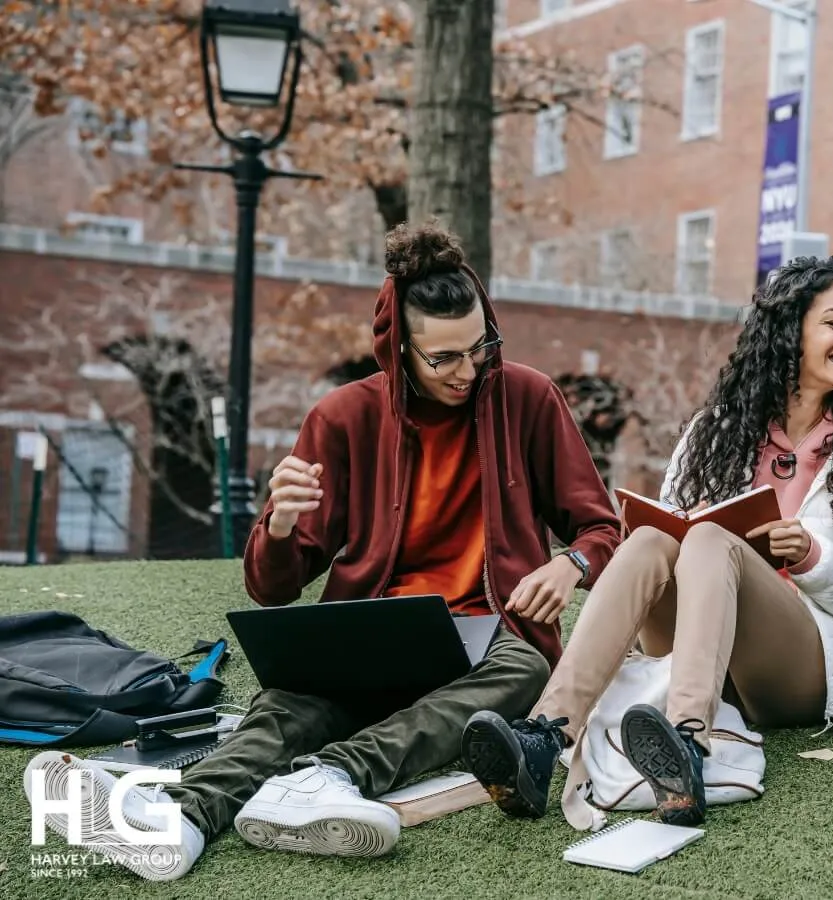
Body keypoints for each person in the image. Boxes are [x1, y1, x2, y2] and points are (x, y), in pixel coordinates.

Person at [23, 221, 622, 881]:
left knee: (527, 672)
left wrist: (572, 562)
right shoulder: (341, 418)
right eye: (443, 357)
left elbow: (602, 528)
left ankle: (331, 775)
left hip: (488, 632)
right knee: (287, 703)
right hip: (373, 629)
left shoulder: (529, 400)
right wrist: (278, 526)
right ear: (397, 349)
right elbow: (272, 587)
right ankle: (180, 822)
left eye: (481, 346)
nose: (469, 369)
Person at [458, 255, 833, 829]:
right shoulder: (715, 431)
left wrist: (811, 557)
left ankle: (687, 746)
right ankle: (545, 735)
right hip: (695, 649)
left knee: (710, 542)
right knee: (655, 537)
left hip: (802, 668)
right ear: (789, 330)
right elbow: (669, 540)